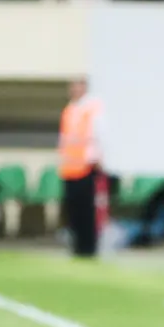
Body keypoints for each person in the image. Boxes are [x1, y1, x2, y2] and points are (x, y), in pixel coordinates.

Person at [58, 77, 106, 258]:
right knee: (73, 209)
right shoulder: (70, 109)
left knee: (87, 209)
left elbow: (99, 135)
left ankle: (88, 247)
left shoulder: (92, 108)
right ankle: (76, 245)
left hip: (86, 165)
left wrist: (98, 158)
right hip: (69, 167)